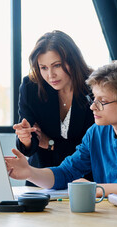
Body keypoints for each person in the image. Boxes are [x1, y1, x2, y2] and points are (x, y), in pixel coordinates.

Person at [7, 60, 117, 200]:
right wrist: (30, 172)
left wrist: (98, 189)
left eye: (102, 101)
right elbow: (65, 173)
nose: (93, 107)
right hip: (114, 222)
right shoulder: (96, 133)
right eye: (93, 98)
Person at [13, 30, 95, 185]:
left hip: (85, 181)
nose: (50, 75)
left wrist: (50, 143)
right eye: (43, 67)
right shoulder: (31, 88)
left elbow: (92, 149)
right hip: (41, 180)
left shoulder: (95, 88)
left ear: (73, 61)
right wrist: (26, 139)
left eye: (56, 65)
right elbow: (30, 143)